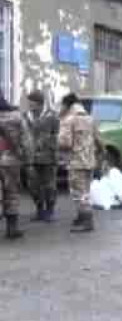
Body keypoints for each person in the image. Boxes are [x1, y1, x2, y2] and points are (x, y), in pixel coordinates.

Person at [58, 92, 102, 233]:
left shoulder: (68, 120)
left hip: (76, 162)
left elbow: (65, 143)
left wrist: (58, 143)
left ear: (67, 105)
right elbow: (99, 140)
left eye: (61, 105)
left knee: (78, 193)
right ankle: (81, 217)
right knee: (85, 191)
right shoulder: (90, 118)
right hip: (89, 161)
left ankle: (87, 221)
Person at [24, 89, 59, 222]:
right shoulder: (26, 116)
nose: (29, 105)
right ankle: (39, 210)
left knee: (49, 185)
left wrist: (50, 146)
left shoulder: (52, 116)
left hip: (48, 157)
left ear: (39, 103)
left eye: (32, 103)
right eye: (29, 102)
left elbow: (58, 135)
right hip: (31, 157)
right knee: (33, 185)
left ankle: (50, 211)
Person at [0, 93, 31, 239]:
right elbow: (27, 141)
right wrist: (27, 159)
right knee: (12, 192)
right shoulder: (16, 117)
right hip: (11, 160)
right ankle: (12, 229)